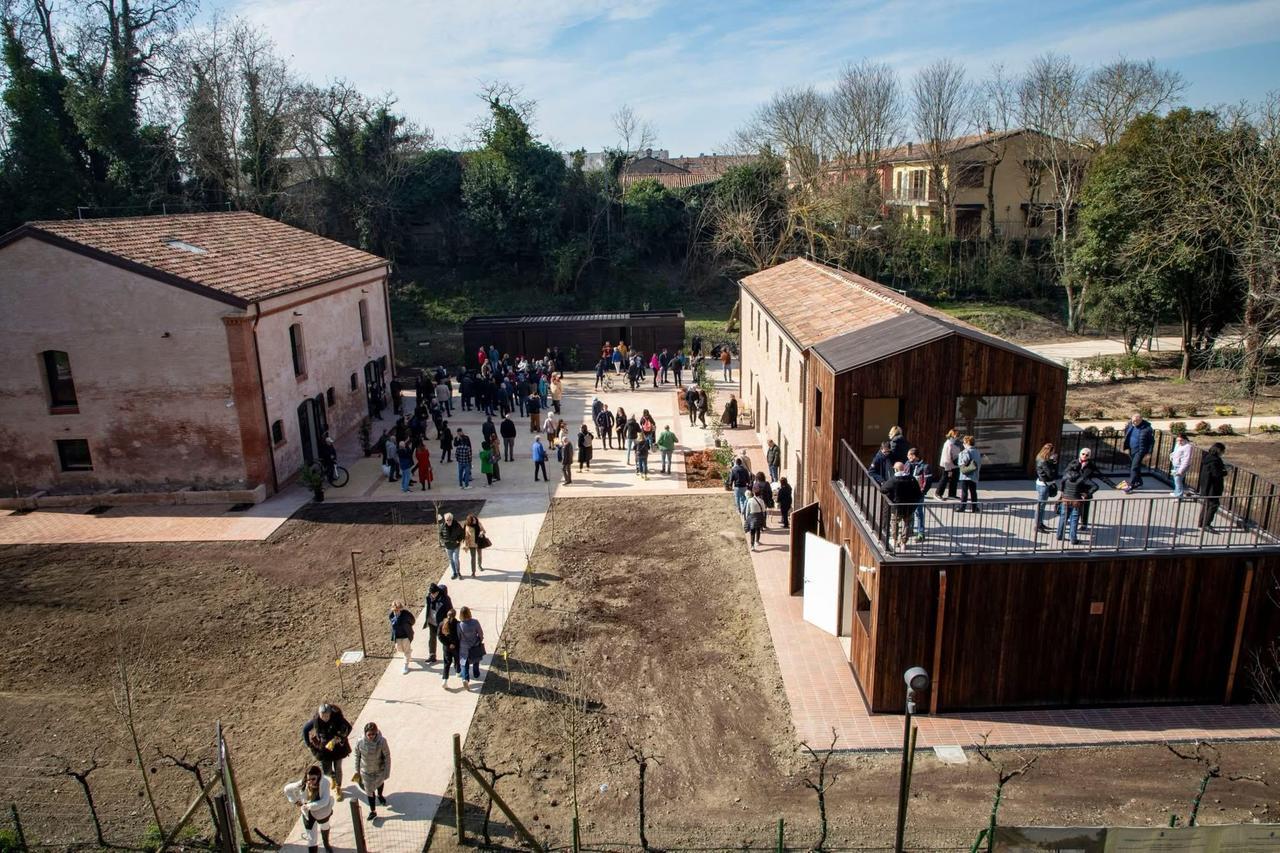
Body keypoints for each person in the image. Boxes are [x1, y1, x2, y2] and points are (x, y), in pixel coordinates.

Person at [301, 704, 352, 800]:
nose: (325, 718)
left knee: (338, 767)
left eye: (327, 716)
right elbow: (305, 730)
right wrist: (308, 745)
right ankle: (332, 776)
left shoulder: (337, 717)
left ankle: (338, 787)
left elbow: (349, 727)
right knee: (326, 770)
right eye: (322, 716)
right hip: (324, 749)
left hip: (338, 748)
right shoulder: (316, 720)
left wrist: (341, 738)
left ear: (330, 714)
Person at [284, 765, 335, 853]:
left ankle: (326, 844)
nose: (310, 782)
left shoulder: (325, 783)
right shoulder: (303, 783)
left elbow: (325, 801)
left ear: (318, 776)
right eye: (308, 779)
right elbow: (287, 789)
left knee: (325, 826)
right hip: (308, 814)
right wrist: (295, 801)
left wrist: (308, 805)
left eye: (313, 779)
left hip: (323, 812)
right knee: (311, 839)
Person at [352, 723, 391, 821]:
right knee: (369, 791)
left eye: (373, 734)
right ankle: (373, 811)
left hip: (379, 769)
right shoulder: (360, 742)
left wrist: (387, 771)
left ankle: (380, 795)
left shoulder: (382, 742)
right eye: (369, 734)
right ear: (365, 734)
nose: (371, 737)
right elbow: (357, 755)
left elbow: (387, 756)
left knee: (380, 783)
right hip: (366, 771)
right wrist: (357, 770)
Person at [880, 462, 924, 549]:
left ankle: (895, 540)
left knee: (894, 524)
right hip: (909, 507)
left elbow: (883, 489)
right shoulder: (912, 479)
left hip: (897, 507)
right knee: (907, 525)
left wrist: (890, 495)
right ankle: (904, 542)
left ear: (895, 469)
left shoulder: (893, 480)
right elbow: (918, 493)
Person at [1056, 455, 1096, 545]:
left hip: (1065, 499)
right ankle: (1073, 539)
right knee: (1074, 520)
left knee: (1063, 517)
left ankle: (1059, 535)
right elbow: (1095, 486)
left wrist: (1063, 493)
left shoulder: (1065, 476)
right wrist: (1086, 494)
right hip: (1076, 501)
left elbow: (1061, 486)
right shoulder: (1082, 478)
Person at [1199, 442, 1228, 532]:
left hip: (1206, 486)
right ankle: (1206, 524)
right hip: (1213, 487)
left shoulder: (1208, 458)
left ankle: (1201, 522)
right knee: (1213, 505)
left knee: (1206, 504)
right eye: (1223, 451)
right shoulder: (1215, 461)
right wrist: (1225, 472)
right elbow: (1216, 474)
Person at [1123, 413, 1155, 492]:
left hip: (1140, 451)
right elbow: (1127, 436)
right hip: (1131, 449)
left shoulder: (1147, 428)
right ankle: (1139, 482)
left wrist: (1149, 453)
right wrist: (1126, 447)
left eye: (1136, 421)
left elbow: (1151, 442)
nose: (1134, 422)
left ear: (1141, 419)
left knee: (1134, 467)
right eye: (1133, 421)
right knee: (1136, 467)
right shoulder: (1130, 425)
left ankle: (1131, 485)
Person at [905, 448, 931, 542]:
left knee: (919, 512)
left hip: (918, 494)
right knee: (909, 511)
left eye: (909, 455)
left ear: (914, 456)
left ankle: (921, 533)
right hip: (908, 492)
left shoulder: (925, 466)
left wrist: (922, 492)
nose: (907, 457)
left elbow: (928, 482)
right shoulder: (907, 464)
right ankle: (910, 529)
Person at [457, 606, 485, 689]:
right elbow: (480, 633)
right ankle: (476, 674)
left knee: (464, 663)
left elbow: (459, 636)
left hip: (464, 647)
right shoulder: (475, 622)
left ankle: (465, 678)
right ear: (469, 613)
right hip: (475, 644)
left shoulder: (459, 625)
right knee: (476, 659)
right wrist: (480, 639)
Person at [1034, 444, 1059, 534]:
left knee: (1042, 506)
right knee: (1041, 506)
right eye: (1053, 451)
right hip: (1044, 486)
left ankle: (1040, 523)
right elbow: (1050, 474)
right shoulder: (1044, 461)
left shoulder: (1040, 458)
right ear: (1049, 451)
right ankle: (1037, 525)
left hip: (1042, 484)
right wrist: (1054, 462)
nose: (1054, 453)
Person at [423, 582, 451, 664]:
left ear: (437, 592)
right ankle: (432, 655)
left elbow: (450, 611)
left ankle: (447, 655)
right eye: (430, 593)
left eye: (433, 594)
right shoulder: (429, 596)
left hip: (441, 624)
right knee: (432, 638)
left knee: (443, 639)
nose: (431, 595)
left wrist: (447, 622)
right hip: (432, 622)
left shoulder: (445, 599)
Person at [388, 600, 415, 675]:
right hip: (397, 636)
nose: (397, 612)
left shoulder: (406, 614)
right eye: (395, 610)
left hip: (406, 635)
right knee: (399, 649)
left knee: (406, 651)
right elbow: (391, 622)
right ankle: (409, 653)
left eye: (398, 610)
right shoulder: (391, 615)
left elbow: (413, 621)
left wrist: (407, 626)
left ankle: (406, 665)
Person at [956, 435, 981, 513]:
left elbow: (962, 463)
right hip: (974, 475)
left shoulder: (965, 452)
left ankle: (962, 507)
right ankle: (974, 508)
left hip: (965, 475)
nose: (963, 444)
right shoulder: (977, 452)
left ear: (967, 443)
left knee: (964, 492)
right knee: (973, 492)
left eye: (964, 442)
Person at [935, 429, 962, 500]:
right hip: (949, 465)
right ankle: (938, 493)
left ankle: (952, 494)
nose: (958, 436)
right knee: (944, 479)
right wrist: (948, 468)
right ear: (952, 435)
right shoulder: (949, 443)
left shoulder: (954, 442)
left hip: (954, 464)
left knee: (954, 479)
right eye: (957, 435)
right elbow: (947, 457)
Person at [438, 512, 464, 580]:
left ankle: (458, 573)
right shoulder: (442, 526)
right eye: (447, 520)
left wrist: (459, 540)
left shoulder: (457, 525)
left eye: (450, 520)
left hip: (456, 546)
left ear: (452, 519)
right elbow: (440, 534)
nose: (448, 521)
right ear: (445, 520)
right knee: (451, 560)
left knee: (456, 559)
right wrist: (443, 541)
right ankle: (454, 573)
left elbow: (462, 533)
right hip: (448, 546)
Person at [438, 608, 460, 686]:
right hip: (456, 647)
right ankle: (458, 672)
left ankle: (445, 680)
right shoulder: (457, 624)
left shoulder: (441, 624)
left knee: (447, 663)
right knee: (457, 660)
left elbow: (440, 636)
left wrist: (447, 644)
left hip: (446, 647)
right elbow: (459, 636)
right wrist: (454, 644)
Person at [1170, 433, 1193, 498]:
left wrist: (1181, 470)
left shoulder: (1188, 447)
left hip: (1181, 466)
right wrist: (1171, 455)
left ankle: (1179, 496)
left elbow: (1186, 459)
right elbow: (1175, 451)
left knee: (1178, 481)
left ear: (1185, 439)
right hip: (1175, 464)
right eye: (1178, 440)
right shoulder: (1178, 444)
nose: (1179, 442)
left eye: (1181, 440)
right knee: (1175, 480)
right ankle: (1176, 492)